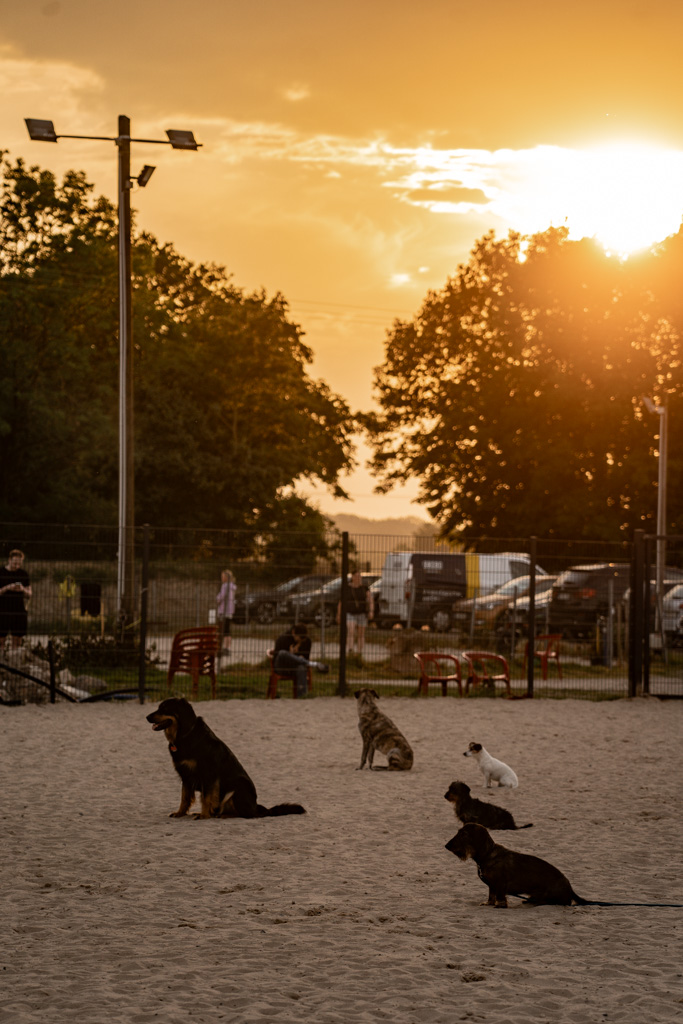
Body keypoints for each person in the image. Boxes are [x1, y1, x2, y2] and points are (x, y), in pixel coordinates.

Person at [273, 622, 328, 698]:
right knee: (282, 653)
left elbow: (305, 657)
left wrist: (299, 657)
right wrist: (290, 654)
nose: (300, 641)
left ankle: (302, 697)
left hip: (295, 667)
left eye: (303, 639)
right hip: (282, 667)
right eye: (299, 638)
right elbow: (277, 656)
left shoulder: (306, 641)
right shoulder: (283, 638)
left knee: (301, 668)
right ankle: (313, 664)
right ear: (293, 633)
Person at [0, 549, 32, 649]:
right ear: (9, 560)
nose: (17, 566)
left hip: (18, 610)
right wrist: (8, 587)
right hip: (3, 610)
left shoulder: (23, 574)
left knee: (17, 642)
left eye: (19, 563)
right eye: (15, 563)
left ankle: (14, 662)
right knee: (1, 641)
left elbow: (29, 594)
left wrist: (22, 589)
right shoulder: (1, 572)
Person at [338, 570, 374, 656]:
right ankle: (350, 649)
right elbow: (341, 602)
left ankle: (359, 652)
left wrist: (371, 611)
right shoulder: (347, 588)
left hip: (361, 613)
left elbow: (370, 600)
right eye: (356, 576)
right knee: (351, 630)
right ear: (352, 577)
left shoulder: (364, 588)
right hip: (350, 612)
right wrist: (339, 614)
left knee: (361, 633)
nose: (358, 578)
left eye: (359, 576)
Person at [216, 569, 237, 657]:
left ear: (226, 577)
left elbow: (221, 597)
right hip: (230, 611)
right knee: (228, 631)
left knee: (222, 630)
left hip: (223, 611)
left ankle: (221, 648)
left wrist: (217, 599)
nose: (221, 578)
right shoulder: (232, 586)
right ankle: (227, 648)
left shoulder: (225, 586)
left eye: (223, 576)